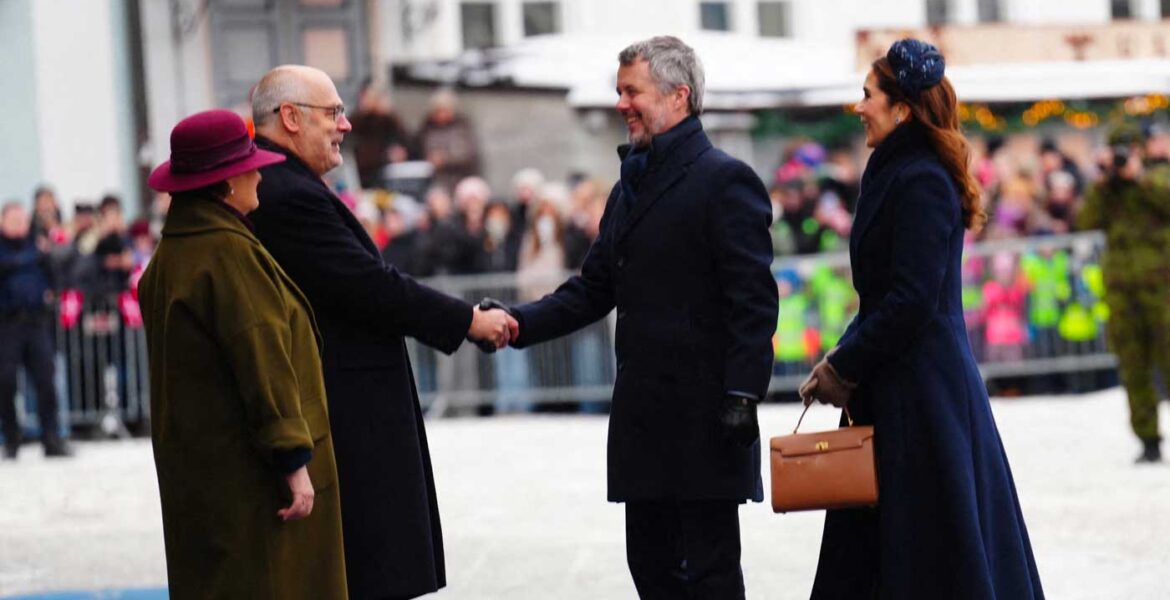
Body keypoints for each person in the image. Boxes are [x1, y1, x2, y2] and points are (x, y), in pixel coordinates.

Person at [504, 37, 777, 599]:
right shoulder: (629, 185)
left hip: (707, 419)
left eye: (633, 92)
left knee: (710, 575)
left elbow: (753, 301)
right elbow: (592, 289)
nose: (621, 104)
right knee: (650, 569)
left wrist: (743, 394)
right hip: (644, 420)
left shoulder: (725, 180)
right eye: (619, 91)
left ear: (679, 96)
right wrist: (518, 323)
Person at [248, 65, 516, 600]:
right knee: (370, 570)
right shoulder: (286, 192)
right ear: (291, 118)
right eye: (333, 113)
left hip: (348, 405)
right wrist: (467, 320)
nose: (345, 125)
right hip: (347, 413)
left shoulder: (286, 184)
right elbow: (369, 286)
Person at [800, 39, 1044, 598]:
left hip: (925, 396)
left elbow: (912, 299)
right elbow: (883, 297)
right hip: (897, 385)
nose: (859, 107)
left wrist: (845, 364)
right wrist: (841, 359)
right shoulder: (895, 171)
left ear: (902, 109)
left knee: (930, 551)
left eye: (868, 95)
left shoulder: (921, 180)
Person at [136, 109, 346, 598]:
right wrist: (293, 460)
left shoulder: (171, 257)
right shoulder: (227, 255)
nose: (260, 175)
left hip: (200, 473)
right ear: (226, 183)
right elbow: (261, 359)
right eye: (250, 167)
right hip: (252, 478)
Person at [1078, 121, 1170, 463]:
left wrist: (1139, 177)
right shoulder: (1107, 189)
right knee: (1134, 368)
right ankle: (1148, 439)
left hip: (1163, 290)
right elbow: (1086, 221)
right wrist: (1103, 182)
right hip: (1122, 292)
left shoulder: (1158, 176)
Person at [0, 202, 72, 460]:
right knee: (5, 382)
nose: (19, 224)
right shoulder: (22, 250)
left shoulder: (40, 246)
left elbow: (56, 276)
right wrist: (33, 257)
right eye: (13, 220)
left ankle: (51, 438)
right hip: (7, 325)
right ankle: (12, 437)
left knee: (46, 381)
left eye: (22, 219)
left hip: (36, 323)